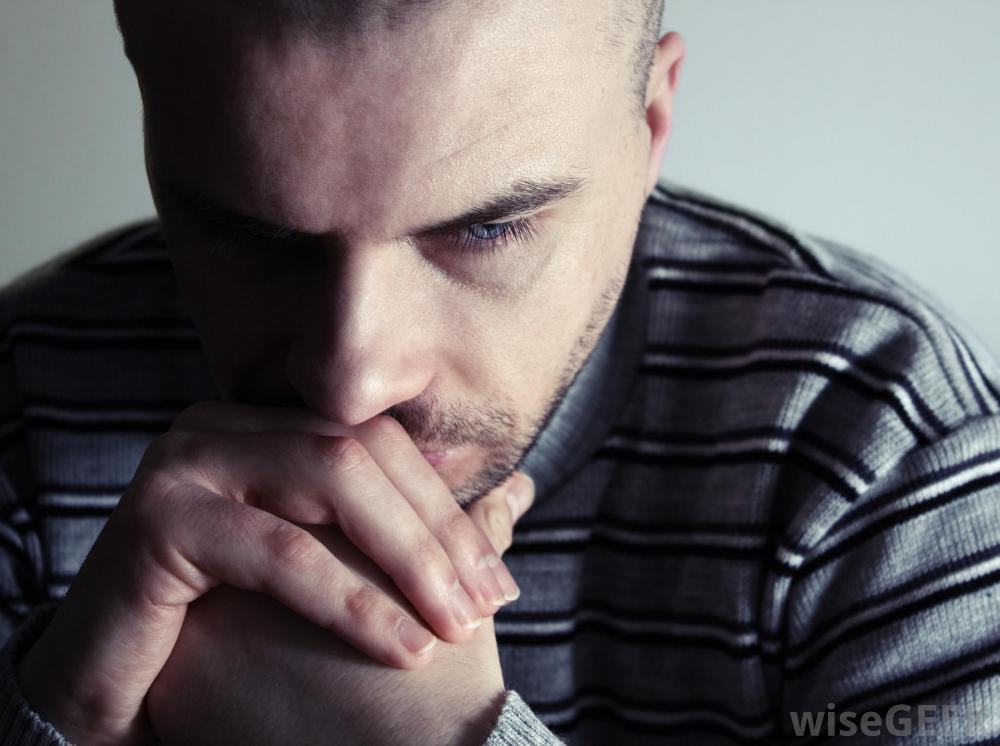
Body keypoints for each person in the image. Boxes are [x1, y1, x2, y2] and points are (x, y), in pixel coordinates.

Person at [2, 0, 1000, 743]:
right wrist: (57, 717)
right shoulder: (18, 402)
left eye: (487, 229)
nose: (353, 382)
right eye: (250, 234)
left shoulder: (891, 446)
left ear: (650, 124)